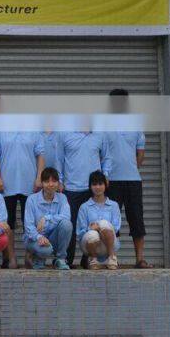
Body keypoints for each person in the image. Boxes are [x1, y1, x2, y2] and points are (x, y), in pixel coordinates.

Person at [105, 88, 152, 268]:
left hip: (133, 180)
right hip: (110, 181)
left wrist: (131, 168)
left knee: (136, 219)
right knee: (111, 221)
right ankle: (112, 258)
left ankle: (139, 259)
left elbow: (140, 153)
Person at [57, 130, 112, 266]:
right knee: (70, 226)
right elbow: (59, 159)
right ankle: (67, 260)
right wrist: (60, 180)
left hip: (93, 189)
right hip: (71, 188)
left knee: (93, 225)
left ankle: (88, 259)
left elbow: (107, 157)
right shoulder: (65, 133)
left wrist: (105, 175)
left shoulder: (100, 134)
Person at [0, 131, 44, 269]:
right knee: (8, 223)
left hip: (30, 184)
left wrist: (39, 178)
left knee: (30, 223)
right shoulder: (1, 131)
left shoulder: (34, 130)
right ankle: (11, 258)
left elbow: (40, 155)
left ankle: (29, 256)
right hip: (6, 184)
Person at [23, 167, 72, 270]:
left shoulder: (62, 198)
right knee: (46, 250)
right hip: (34, 238)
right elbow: (28, 226)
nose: (50, 184)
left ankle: (61, 259)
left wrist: (46, 218)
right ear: (42, 183)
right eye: (47, 181)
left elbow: (66, 216)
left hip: (52, 238)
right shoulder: (32, 199)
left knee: (67, 224)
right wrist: (39, 237)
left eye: (54, 181)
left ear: (58, 183)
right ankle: (37, 257)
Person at [76, 171, 121, 270]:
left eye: (100, 184)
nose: (97, 187)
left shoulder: (114, 206)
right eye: (94, 184)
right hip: (90, 244)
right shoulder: (84, 207)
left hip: (109, 242)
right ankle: (93, 259)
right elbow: (80, 232)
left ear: (105, 185)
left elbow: (116, 227)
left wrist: (99, 227)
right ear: (90, 186)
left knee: (104, 223)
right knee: (92, 234)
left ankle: (111, 257)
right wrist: (90, 229)